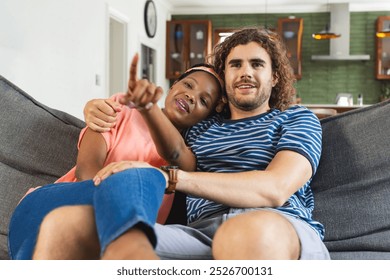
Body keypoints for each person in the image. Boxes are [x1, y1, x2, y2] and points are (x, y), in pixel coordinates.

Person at [15, 27, 330, 260]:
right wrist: (113, 106)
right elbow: (175, 150)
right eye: (236, 64)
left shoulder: (296, 119)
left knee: (244, 232)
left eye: (257, 64)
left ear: (275, 77)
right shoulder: (200, 128)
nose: (245, 72)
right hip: (200, 233)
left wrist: (172, 178)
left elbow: (274, 189)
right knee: (67, 225)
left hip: (279, 225)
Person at [7, 54, 224, 259]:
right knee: (138, 176)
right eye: (188, 85)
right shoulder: (118, 110)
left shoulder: (185, 156)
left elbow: (176, 153)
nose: (191, 96)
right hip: (43, 211)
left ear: (206, 117)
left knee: (149, 176)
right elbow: (87, 170)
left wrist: (149, 109)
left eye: (204, 101)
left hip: (94, 241)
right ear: (173, 86)